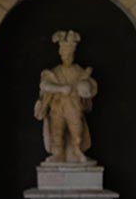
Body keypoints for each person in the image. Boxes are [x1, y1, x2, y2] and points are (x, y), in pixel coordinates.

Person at [33, 30, 98, 164]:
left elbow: (88, 87)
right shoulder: (55, 71)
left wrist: (85, 87)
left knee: (77, 131)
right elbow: (44, 85)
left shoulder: (79, 70)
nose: (67, 57)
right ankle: (58, 154)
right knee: (57, 132)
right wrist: (61, 88)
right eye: (65, 54)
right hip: (57, 107)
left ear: (73, 55)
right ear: (61, 54)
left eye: (70, 54)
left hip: (73, 106)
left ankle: (77, 151)